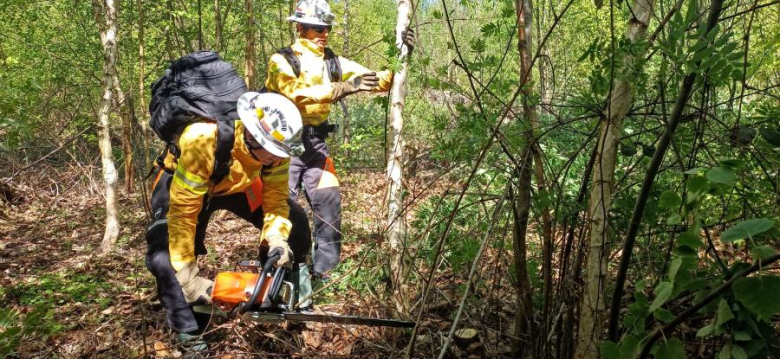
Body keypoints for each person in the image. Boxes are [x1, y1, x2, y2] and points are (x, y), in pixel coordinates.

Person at [144, 92, 313, 350]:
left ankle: (281, 291)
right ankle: (190, 333)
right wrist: (188, 275)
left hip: (237, 183)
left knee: (296, 224)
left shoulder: (277, 151)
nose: (277, 159)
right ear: (251, 135)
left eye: (281, 153)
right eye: (272, 152)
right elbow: (183, 214)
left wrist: (276, 237)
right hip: (183, 182)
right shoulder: (202, 140)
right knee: (163, 253)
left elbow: (276, 200)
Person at [264, 0, 415, 280]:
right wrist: (341, 87)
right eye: (316, 28)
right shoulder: (282, 60)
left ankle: (325, 275)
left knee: (329, 203)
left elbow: (379, 81)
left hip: (315, 146)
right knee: (282, 209)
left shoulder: (333, 61)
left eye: (326, 28)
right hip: (282, 146)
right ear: (300, 27)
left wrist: (402, 53)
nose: (323, 34)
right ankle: (278, 273)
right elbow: (295, 92)